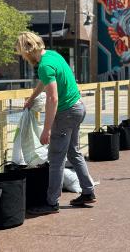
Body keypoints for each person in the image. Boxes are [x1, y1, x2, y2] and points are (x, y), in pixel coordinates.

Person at [15, 32, 95, 215]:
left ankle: (51, 203)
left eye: (22, 53)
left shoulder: (44, 65)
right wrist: (32, 98)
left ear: (28, 50)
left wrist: (47, 130)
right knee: (74, 152)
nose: (23, 57)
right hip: (78, 107)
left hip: (66, 113)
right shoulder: (52, 55)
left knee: (55, 159)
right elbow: (45, 83)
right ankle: (88, 191)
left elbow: (52, 98)